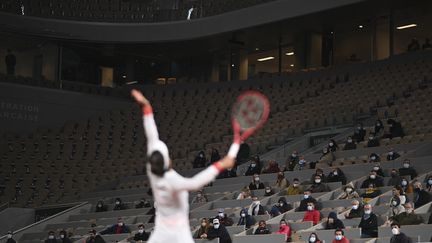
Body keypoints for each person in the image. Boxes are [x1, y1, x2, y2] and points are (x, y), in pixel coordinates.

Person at [131, 89, 240, 243]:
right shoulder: (173, 180)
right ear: (167, 162)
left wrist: (147, 108)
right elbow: (195, 183)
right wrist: (221, 163)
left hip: (160, 233)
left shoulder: (152, 171)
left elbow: (151, 135)